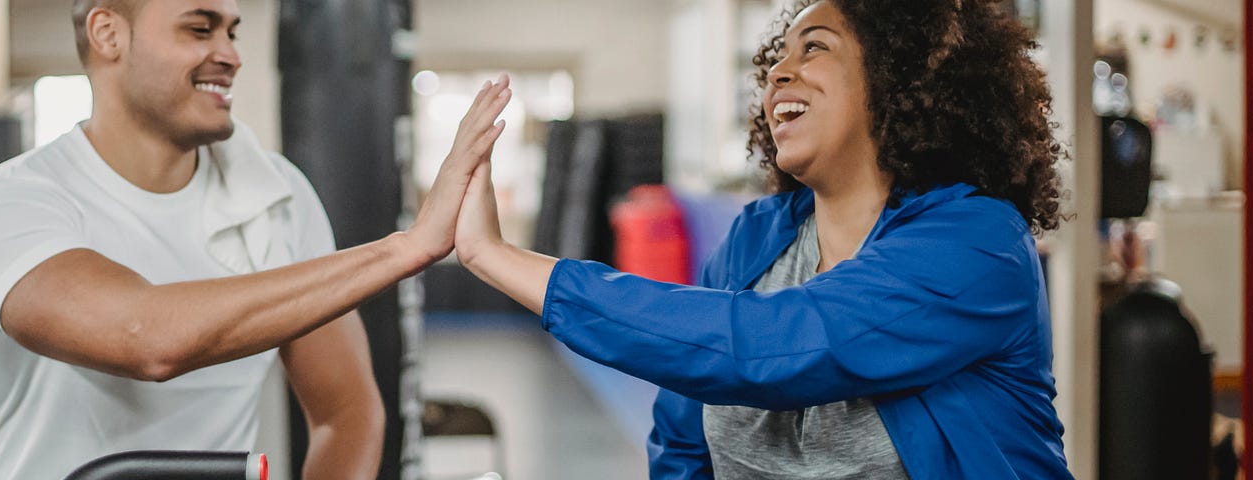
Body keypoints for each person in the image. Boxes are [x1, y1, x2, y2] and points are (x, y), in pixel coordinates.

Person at [451, 1, 1072, 478]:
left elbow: (776, 346)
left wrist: (498, 257)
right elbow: (681, 435)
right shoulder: (758, 237)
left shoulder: (978, 245)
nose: (779, 70)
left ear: (896, 80)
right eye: (779, 55)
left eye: (815, 48)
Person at [0, 0, 510, 478]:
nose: (231, 55)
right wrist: (406, 247)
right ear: (108, 34)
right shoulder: (6, 205)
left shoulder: (276, 194)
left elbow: (348, 410)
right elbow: (144, 338)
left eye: (232, 32)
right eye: (199, 28)